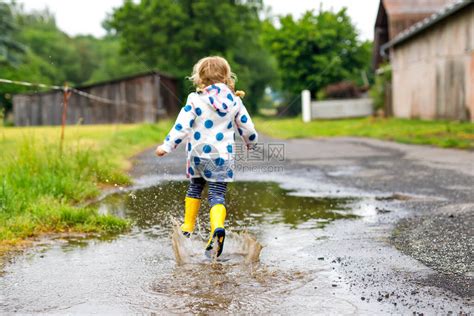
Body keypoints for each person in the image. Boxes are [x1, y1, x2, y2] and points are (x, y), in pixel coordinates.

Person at [155, 56, 258, 257]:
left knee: (195, 187)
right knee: (217, 194)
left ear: (200, 77)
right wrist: (251, 143)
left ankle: (187, 226)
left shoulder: (195, 99)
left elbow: (181, 126)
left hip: (197, 155)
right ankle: (217, 228)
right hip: (222, 157)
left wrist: (167, 146)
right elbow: (247, 127)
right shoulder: (235, 101)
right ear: (227, 77)